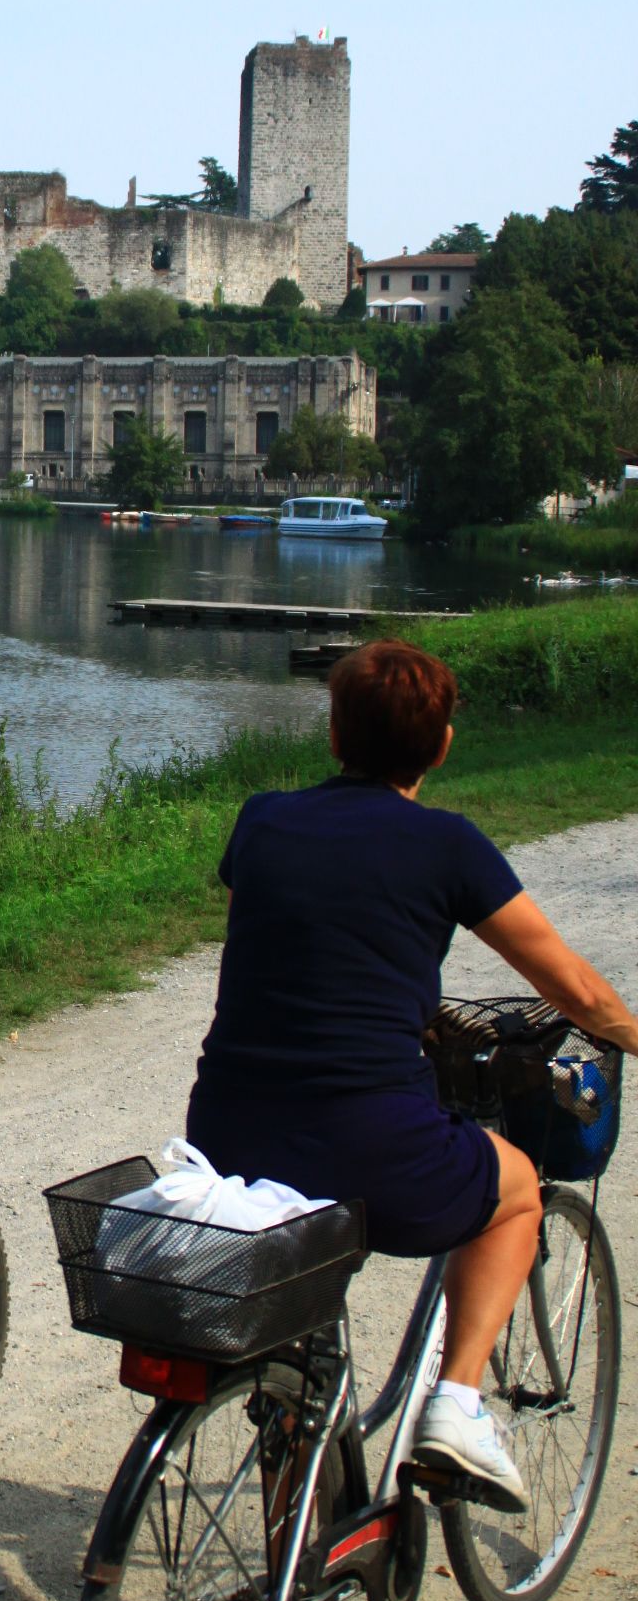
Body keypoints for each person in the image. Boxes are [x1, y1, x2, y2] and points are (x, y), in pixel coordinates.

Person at [186, 639, 638, 1510]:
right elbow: (571, 987)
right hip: (369, 1143)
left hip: (229, 1134)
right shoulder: (449, 846)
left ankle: (294, 1551)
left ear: (333, 737)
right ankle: (459, 1407)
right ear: (443, 746)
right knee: (515, 1191)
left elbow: (281, 954)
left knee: (299, 1337)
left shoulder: (263, 820)